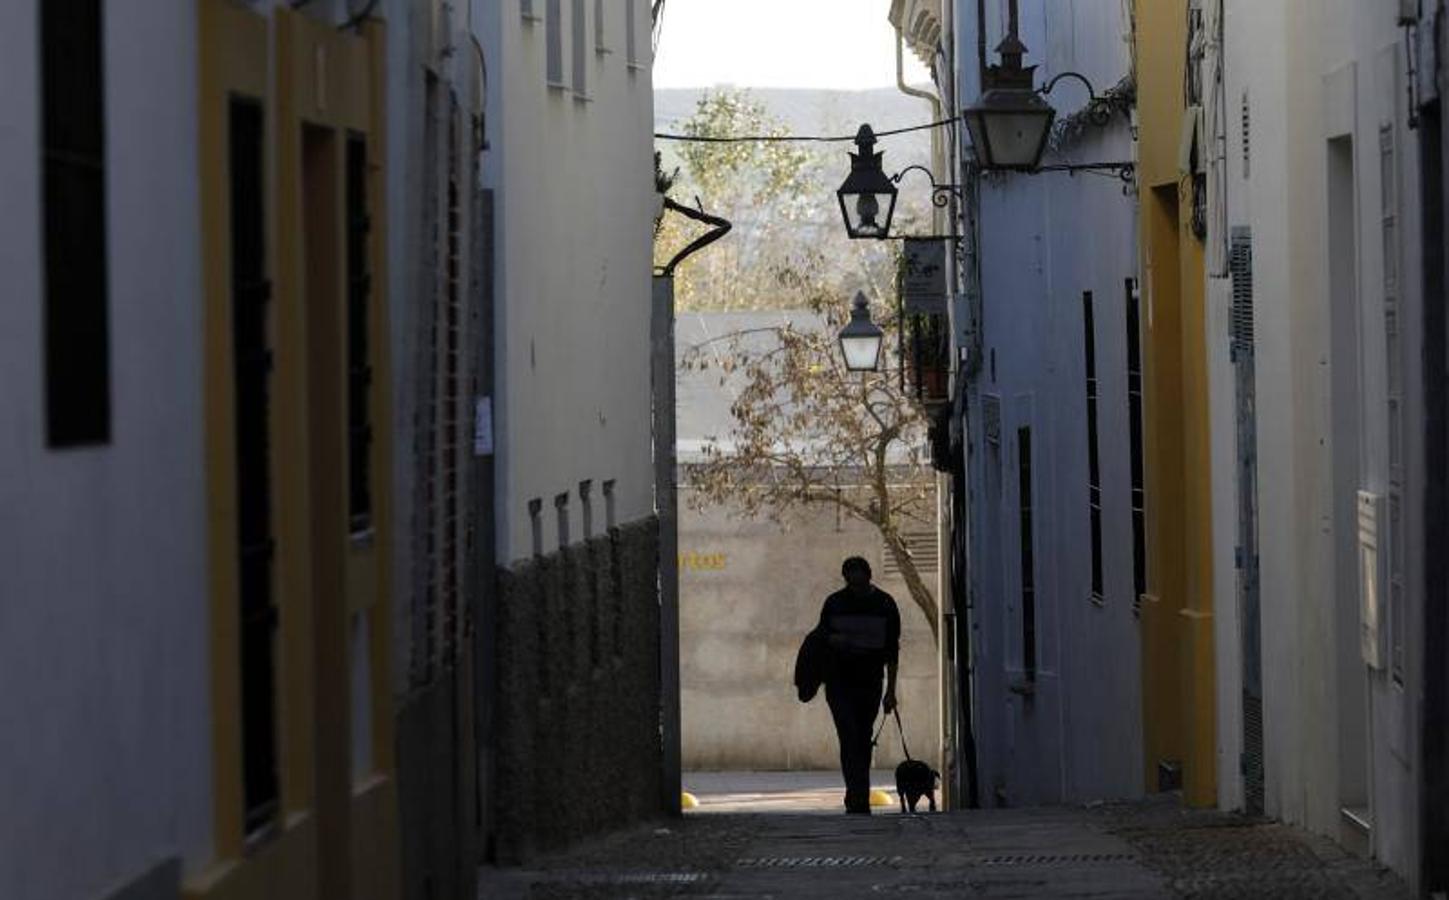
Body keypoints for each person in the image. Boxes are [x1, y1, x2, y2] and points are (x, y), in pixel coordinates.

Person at [816, 556, 901, 814]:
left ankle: (858, 795)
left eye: (860, 583)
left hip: (870, 682)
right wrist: (833, 639)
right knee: (849, 736)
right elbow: (820, 638)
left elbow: (892, 652)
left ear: (869, 577)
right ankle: (856, 796)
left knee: (862, 738)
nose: (856, 589)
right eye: (852, 584)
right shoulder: (834, 603)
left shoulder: (884, 604)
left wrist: (891, 692)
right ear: (845, 580)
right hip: (839, 683)